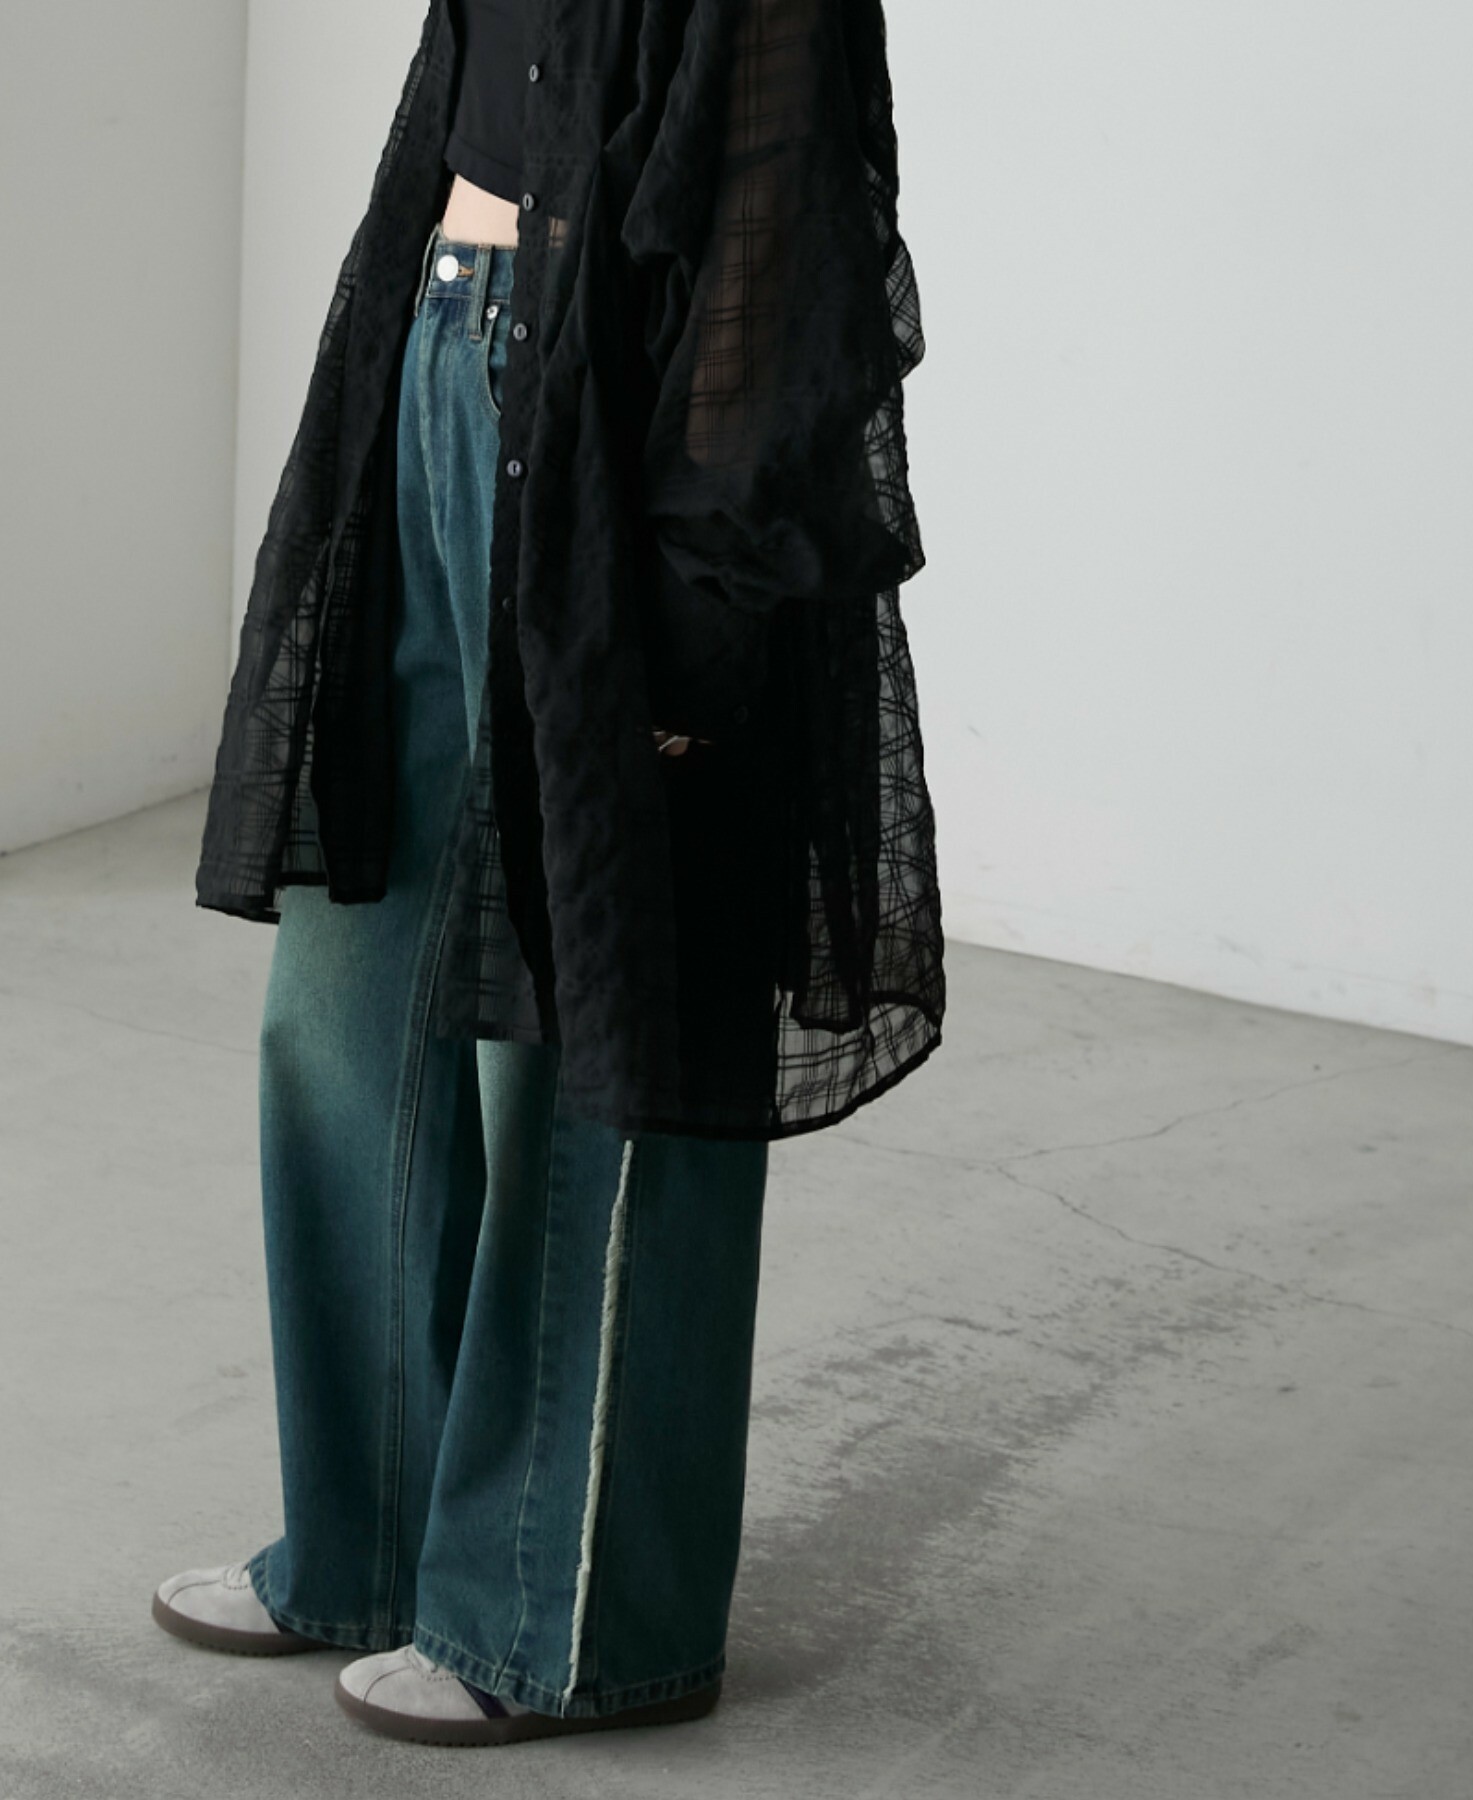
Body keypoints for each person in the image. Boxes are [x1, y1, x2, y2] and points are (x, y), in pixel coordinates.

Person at [155, 0, 944, 1751]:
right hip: (441, 351)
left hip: (618, 430)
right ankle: (363, 1542)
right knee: (348, 1002)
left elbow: (785, 231)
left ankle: (565, 1620)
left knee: (602, 1046)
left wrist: (702, 629)